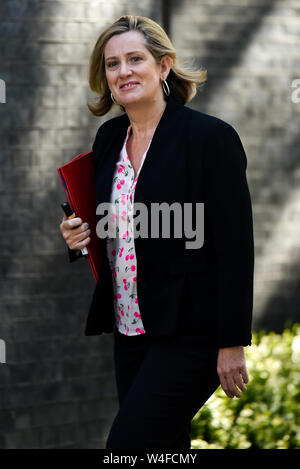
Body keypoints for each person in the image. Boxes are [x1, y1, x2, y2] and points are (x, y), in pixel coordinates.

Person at [59, 15, 255, 450]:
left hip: (192, 332)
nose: (123, 71)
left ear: (163, 66)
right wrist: (77, 235)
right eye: (112, 64)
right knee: (163, 450)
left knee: (127, 448)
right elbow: (109, 222)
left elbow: (236, 249)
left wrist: (231, 343)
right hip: (130, 328)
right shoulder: (110, 138)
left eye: (135, 59)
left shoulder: (210, 139)